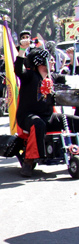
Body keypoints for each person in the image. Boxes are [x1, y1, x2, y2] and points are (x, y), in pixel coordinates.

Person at [14, 42, 79, 177]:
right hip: (28, 116)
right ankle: (28, 162)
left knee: (76, 121)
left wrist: (73, 59)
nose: (53, 61)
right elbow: (18, 70)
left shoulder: (53, 77)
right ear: (40, 62)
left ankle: (75, 152)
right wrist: (22, 50)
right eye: (50, 60)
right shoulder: (30, 76)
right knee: (38, 124)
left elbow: (73, 80)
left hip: (48, 116)